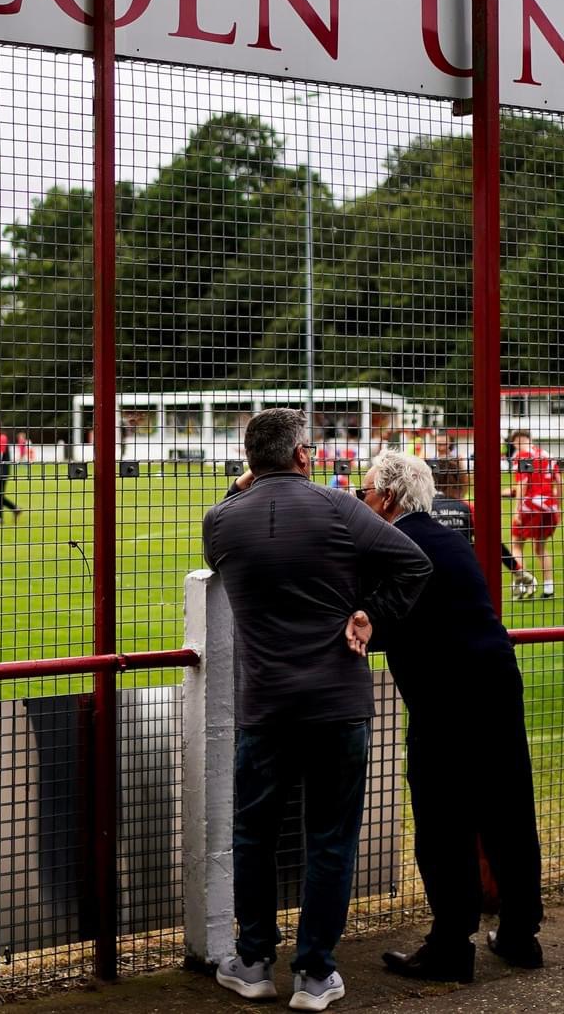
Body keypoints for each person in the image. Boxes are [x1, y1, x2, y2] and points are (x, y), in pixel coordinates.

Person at [204, 407, 431, 1011]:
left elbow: (233, 508)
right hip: (337, 702)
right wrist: (372, 613)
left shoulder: (221, 521)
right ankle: (314, 972)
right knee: (330, 838)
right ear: (304, 456)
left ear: (250, 463)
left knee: (253, 835)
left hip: (267, 705)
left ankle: (253, 961)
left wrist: (246, 483)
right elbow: (414, 561)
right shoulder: (339, 507)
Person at [351, 451, 545, 982]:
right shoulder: (450, 540)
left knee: (443, 817)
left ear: (386, 498)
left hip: (446, 694)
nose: (358, 500)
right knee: (507, 804)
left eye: (364, 492)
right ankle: (521, 932)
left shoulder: (393, 547)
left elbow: (378, 625)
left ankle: (449, 945)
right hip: (495, 678)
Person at [428, 449, 530, 596]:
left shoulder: (423, 507)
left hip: (430, 574)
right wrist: (517, 570)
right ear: (460, 480)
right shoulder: (468, 508)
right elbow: (492, 543)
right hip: (465, 573)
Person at [507, 431, 562, 599]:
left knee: (517, 544)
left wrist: (517, 509)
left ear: (515, 442)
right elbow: (559, 481)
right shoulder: (546, 455)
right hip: (548, 507)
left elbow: (523, 482)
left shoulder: (522, 456)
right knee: (540, 548)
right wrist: (559, 507)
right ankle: (548, 588)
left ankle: (523, 585)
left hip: (529, 507)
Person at [0, 424, 22, 523]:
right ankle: (14, 509)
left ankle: (0, 517)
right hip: (1, 470)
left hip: (1, 471)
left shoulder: (1, 438)